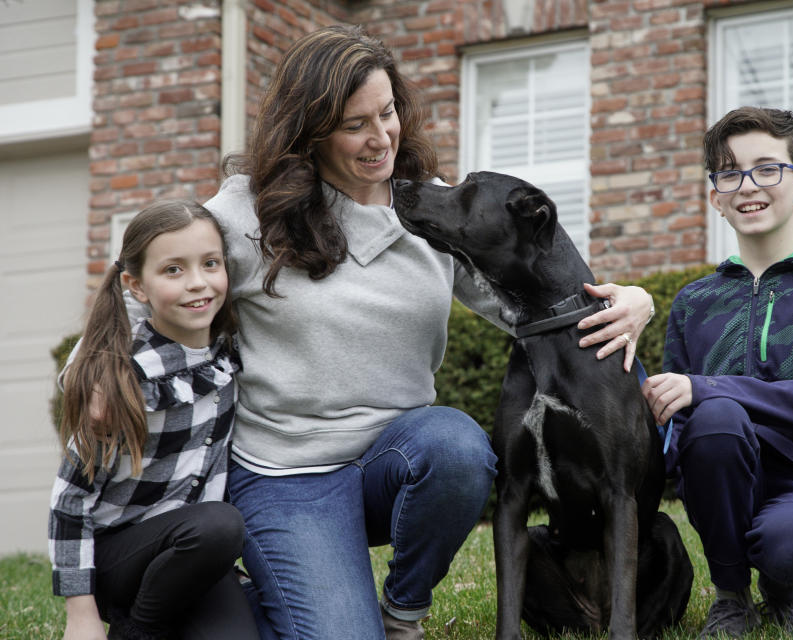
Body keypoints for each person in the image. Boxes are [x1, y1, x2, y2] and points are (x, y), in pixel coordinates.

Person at [202, 24, 655, 640]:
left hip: (395, 460)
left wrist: (635, 300)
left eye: (387, 112)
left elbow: (534, 303)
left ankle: (402, 613)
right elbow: (153, 286)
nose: (380, 136)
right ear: (308, 132)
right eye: (354, 123)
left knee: (460, 448)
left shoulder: (430, 212)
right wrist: (98, 371)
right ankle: (242, 597)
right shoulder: (246, 212)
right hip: (288, 476)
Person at [642, 107, 793, 639]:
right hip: (721, 470)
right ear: (715, 198)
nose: (748, 185)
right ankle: (731, 595)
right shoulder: (694, 302)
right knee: (715, 419)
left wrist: (704, 387)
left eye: (767, 169)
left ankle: (785, 587)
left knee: (790, 547)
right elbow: (674, 420)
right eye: (729, 173)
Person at [48, 201, 257, 640]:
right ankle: (139, 631)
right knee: (219, 523)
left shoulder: (228, 347)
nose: (198, 283)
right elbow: (70, 501)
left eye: (210, 264)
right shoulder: (122, 378)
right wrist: (80, 613)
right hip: (117, 559)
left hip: (193, 557)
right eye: (173, 270)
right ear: (136, 287)